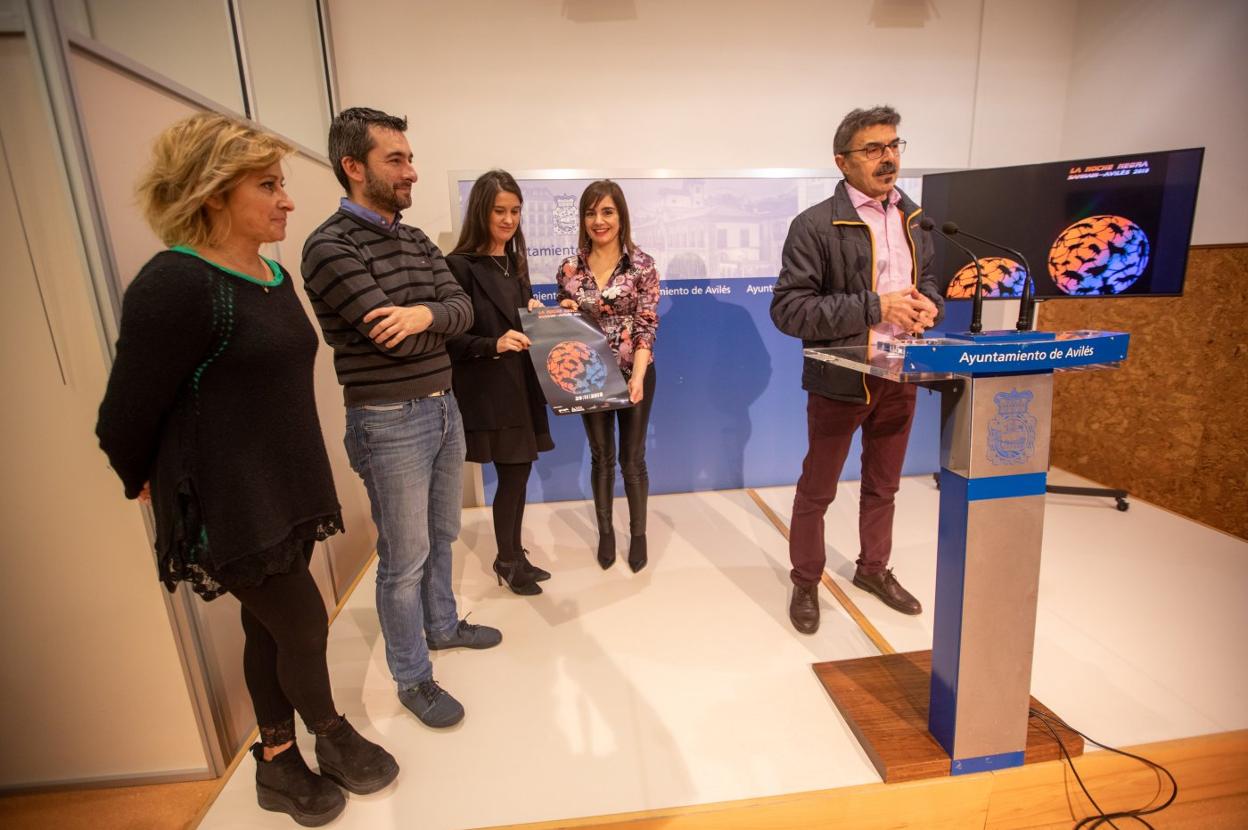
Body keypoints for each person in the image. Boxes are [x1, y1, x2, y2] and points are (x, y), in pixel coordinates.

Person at [96, 113, 397, 827]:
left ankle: (275, 760)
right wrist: (139, 476)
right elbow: (124, 413)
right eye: (268, 185)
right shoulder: (175, 283)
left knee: (267, 631)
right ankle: (330, 733)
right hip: (226, 498)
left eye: (282, 183)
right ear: (211, 194)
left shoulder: (270, 272)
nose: (287, 199)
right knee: (303, 622)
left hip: (283, 485)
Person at [301, 108, 500, 731]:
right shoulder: (330, 246)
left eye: (410, 158)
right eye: (397, 160)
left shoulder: (413, 240)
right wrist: (428, 321)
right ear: (353, 166)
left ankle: (441, 626)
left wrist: (423, 318)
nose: (410, 171)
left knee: (441, 534)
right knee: (403, 556)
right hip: (387, 419)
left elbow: (462, 309)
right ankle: (413, 676)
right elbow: (386, 335)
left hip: (443, 406)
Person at [770, 105, 944, 633]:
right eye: (873, 149)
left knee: (884, 485)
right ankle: (805, 580)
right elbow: (789, 310)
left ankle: (873, 570)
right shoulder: (815, 225)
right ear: (842, 162)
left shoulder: (916, 219)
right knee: (818, 489)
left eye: (893, 146)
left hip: (900, 373)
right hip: (840, 378)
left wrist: (927, 304)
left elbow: (928, 280)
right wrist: (878, 306)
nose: (887, 157)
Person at [446, 171, 554, 596]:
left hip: (522, 385)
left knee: (520, 472)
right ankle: (507, 560)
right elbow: (452, 339)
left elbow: (519, 319)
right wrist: (494, 343)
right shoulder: (459, 266)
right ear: (481, 212)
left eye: (515, 211)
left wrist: (538, 312)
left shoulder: (514, 261)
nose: (509, 219)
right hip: (490, 390)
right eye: (500, 211)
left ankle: (513, 553)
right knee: (512, 475)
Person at [557, 180, 660, 573]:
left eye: (607, 212)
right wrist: (562, 309)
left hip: (635, 371)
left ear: (621, 216)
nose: (598, 221)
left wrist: (637, 376)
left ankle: (638, 535)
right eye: (590, 213)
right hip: (587, 376)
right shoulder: (569, 267)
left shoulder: (642, 264)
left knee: (633, 460)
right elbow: (564, 328)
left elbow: (646, 324)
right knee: (602, 457)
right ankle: (605, 533)